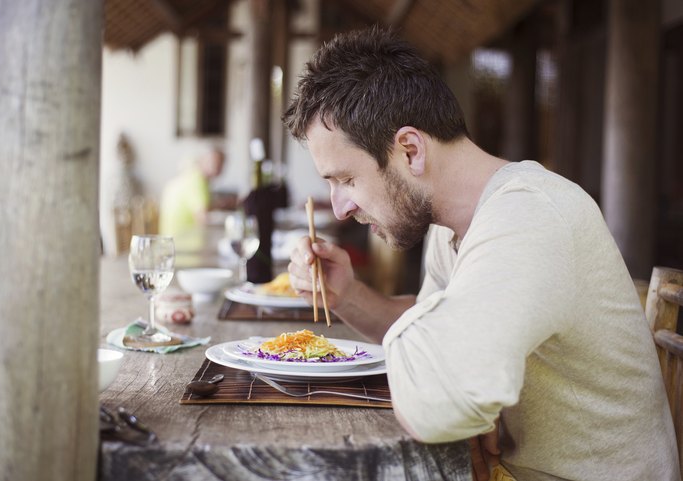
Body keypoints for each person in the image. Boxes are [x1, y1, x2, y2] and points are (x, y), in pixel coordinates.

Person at [283, 27, 679, 480]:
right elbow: (430, 329)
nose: (340, 206)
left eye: (346, 180)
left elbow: (443, 405)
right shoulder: (448, 225)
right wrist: (346, 295)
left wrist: (461, 387)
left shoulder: (530, 214)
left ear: (410, 150)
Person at [159, 146, 225, 246]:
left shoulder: (189, 176)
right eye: (213, 162)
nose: (216, 167)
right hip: (182, 245)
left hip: (170, 243)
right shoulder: (197, 181)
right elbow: (203, 218)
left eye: (219, 163)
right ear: (203, 160)